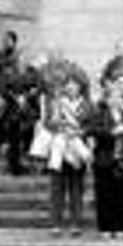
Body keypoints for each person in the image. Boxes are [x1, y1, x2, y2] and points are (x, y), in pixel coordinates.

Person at [45, 73, 93, 237]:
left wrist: (80, 131)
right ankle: (55, 223)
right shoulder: (57, 103)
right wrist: (58, 124)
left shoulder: (87, 105)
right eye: (69, 84)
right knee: (57, 189)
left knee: (76, 189)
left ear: (81, 87)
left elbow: (91, 126)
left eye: (75, 84)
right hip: (59, 148)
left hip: (77, 148)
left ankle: (76, 223)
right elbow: (47, 123)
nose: (71, 87)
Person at [85, 80, 123, 237]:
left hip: (122, 161)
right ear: (106, 99)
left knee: (122, 195)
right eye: (112, 97)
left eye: (120, 97)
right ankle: (105, 228)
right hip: (104, 159)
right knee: (104, 195)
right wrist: (111, 132)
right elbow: (91, 130)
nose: (116, 100)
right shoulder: (99, 114)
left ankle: (121, 226)